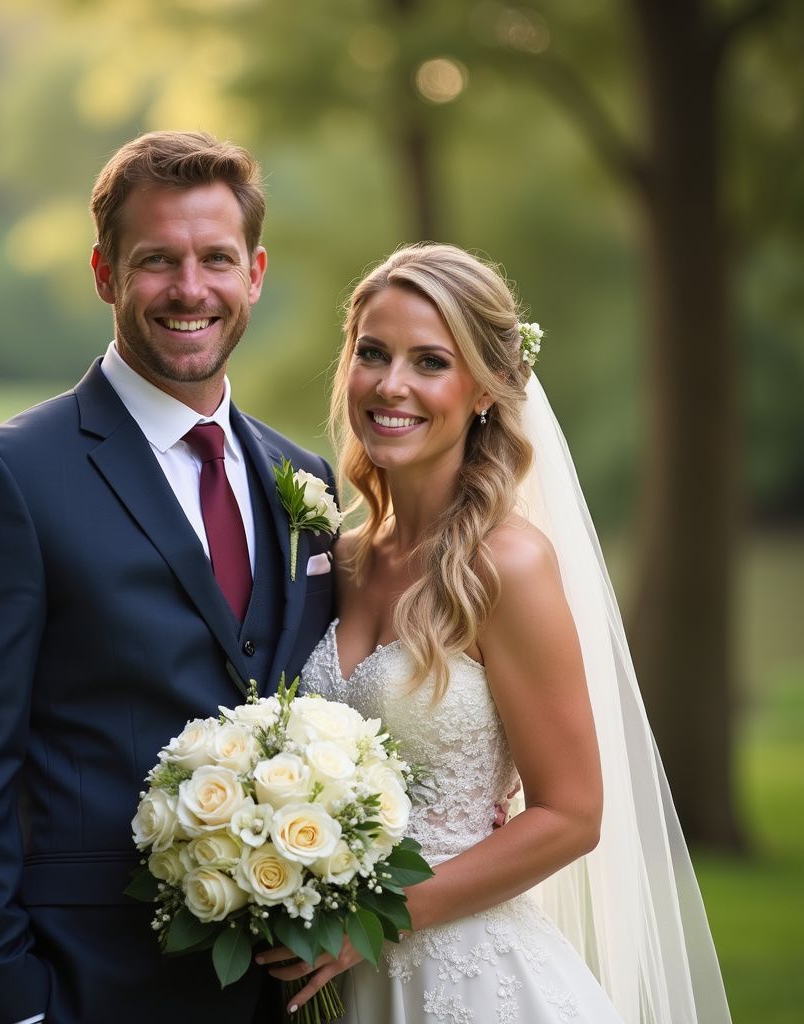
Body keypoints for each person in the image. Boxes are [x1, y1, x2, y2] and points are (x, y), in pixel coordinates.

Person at [0, 131, 336, 1024]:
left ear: (254, 273)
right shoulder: (6, 478)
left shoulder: (306, 482)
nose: (190, 289)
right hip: (87, 985)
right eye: (156, 261)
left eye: (216, 258)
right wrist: (7, 1002)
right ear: (104, 273)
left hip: (281, 993)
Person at [258, 243, 731, 1023]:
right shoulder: (330, 559)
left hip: (467, 981)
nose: (391, 384)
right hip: (337, 984)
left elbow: (572, 815)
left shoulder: (506, 564)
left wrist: (373, 923)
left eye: (430, 362)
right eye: (372, 353)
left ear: (483, 389)